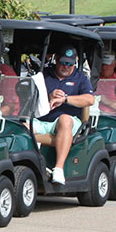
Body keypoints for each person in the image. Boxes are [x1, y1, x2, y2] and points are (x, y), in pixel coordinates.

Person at [33, 45, 95, 185]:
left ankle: (58, 169)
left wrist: (66, 99)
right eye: (63, 62)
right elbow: (29, 94)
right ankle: (31, 165)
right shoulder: (44, 75)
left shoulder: (80, 78)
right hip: (42, 120)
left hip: (68, 121)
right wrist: (49, 96)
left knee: (64, 120)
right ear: (56, 59)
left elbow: (90, 99)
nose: (66, 66)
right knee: (21, 127)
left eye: (70, 63)